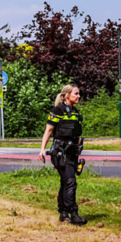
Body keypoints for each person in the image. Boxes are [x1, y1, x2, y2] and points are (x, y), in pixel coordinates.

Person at [39, 84, 87, 226]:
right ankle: (74, 214)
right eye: (76, 94)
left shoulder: (76, 112)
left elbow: (76, 133)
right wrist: (42, 149)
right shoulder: (57, 110)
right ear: (67, 95)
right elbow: (48, 131)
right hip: (60, 153)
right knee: (70, 182)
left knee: (65, 182)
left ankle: (63, 213)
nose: (78, 96)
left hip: (72, 153)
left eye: (79, 94)